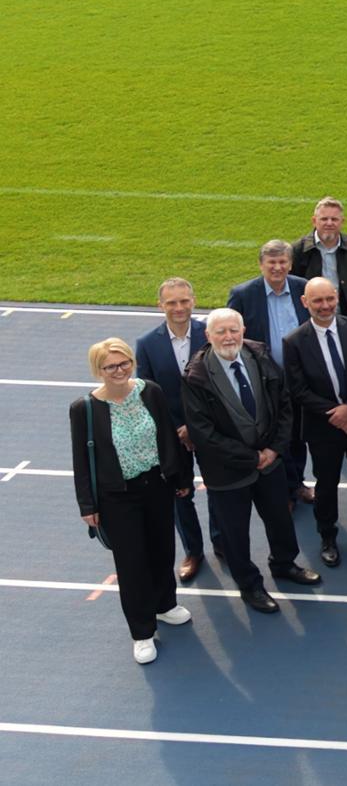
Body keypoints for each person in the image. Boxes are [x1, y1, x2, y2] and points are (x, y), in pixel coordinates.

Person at [180, 309, 322, 614]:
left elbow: (284, 405)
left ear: (243, 330)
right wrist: (251, 457)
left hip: (270, 463)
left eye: (234, 330)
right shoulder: (196, 376)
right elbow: (203, 433)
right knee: (235, 533)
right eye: (221, 332)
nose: (229, 337)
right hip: (227, 472)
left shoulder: (260, 356)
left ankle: (284, 564)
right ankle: (249, 585)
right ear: (208, 336)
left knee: (280, 520)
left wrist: (273, 450)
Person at [69, 338, 194, 663]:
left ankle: (165, 605)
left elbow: (167, 434)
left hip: (156, 485)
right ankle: (141, 631)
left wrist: (179, 478)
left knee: (162, 548)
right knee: (132, 563)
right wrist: (87, 506)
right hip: (117, 496)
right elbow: (81, 459)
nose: (119, 370)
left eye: (124, 362)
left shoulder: (149, 391)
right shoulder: (84, 408)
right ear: (99, 370)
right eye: (111, 366)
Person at [282, 278, 347, 565]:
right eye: (317, 301)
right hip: (323, 427)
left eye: (329, 299)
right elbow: (298, 390)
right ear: (305, 303)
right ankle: (327, 534)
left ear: (336, 297)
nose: (324, 306)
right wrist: (337, 415)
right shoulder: (294, 342)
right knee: (327, 482)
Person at [133, 278, 212, 582]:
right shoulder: (147, 344)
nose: (179, 308)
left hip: (210, 429)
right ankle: (194, 551)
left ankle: (222, 543)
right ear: (160, 306)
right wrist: (179, 428)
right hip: (171, 434)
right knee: (181, 496)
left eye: (184, 301)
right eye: (172, 303)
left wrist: (196, 427)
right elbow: (149, 394)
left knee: (218, 490)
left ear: (193, 301)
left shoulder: (210, 334)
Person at [226, 240, 311, 501]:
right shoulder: (243, 294)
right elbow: (230, 333)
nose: (277, 267)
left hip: (298, 377)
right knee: (274, 435)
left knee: (297, 434)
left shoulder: (302, 288)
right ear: (261, 265)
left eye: (282, 262)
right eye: (271, 263)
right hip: (263, 380)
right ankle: (283, 492)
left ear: (290, 263)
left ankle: (297, 483)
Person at [293, 197, 347, 323]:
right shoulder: (298, 250)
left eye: (334, 219)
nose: (329, 223)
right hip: (311, 324)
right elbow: (293, 290)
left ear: (342, 221)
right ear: (314, 221)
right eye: (324, 219)